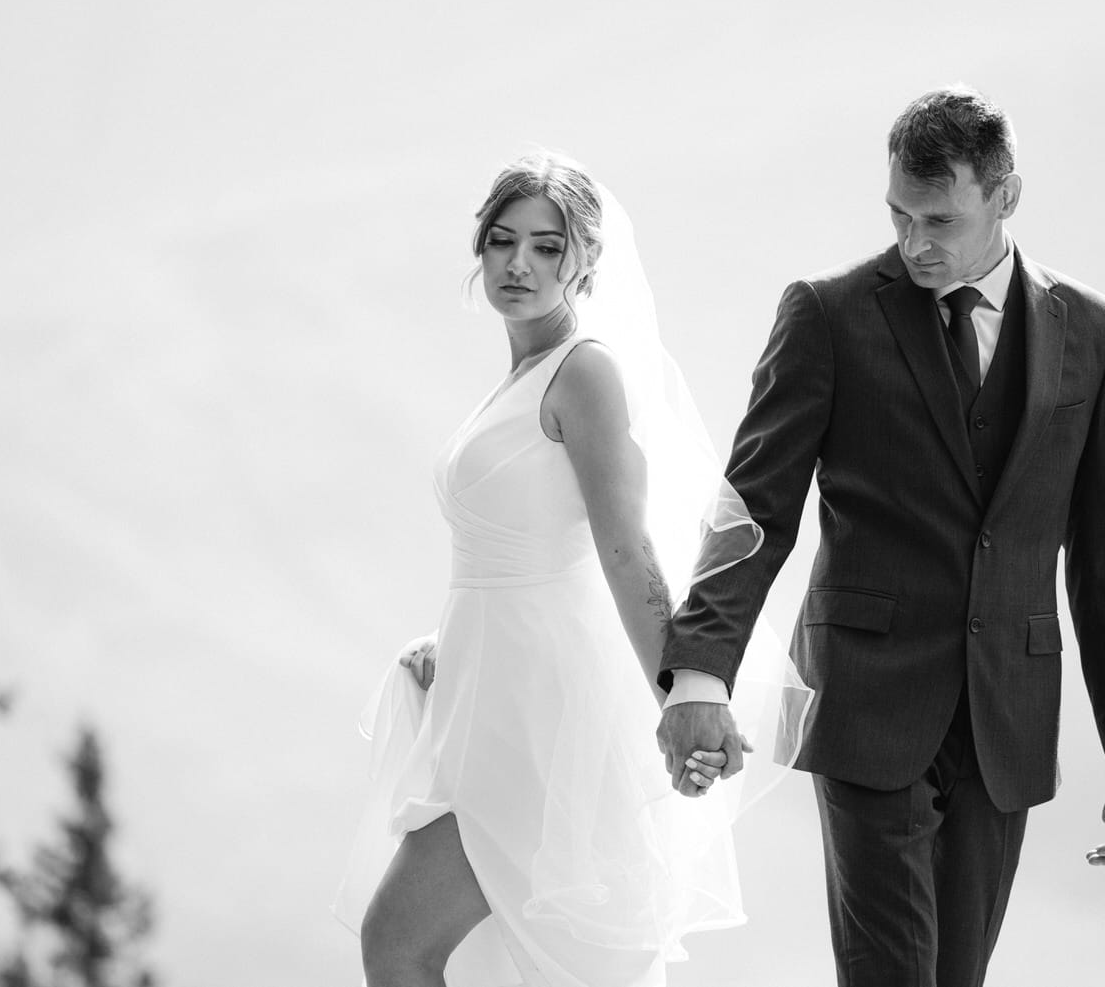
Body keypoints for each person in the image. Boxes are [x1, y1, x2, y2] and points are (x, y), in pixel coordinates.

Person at [656, 86, 1105, 987]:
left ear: (1007, 197)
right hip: (866, 703)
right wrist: (701, 671)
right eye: (899, 214)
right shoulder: (827, 313)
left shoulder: (1095, 330)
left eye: (940, 219)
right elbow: (754, 507)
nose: (915, 242)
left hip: (1005, 715)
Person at [332, 152, 809, 987]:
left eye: (547, 247)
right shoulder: (518, 377)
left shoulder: (583, 372)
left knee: (400, 941)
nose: (519, 264)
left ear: (585, 258)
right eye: (502, 241)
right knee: (451, 950)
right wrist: (451, 647)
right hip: (484, 696)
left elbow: (626, 549)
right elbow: (513, 553)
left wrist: (685, 700)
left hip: (540, 721)